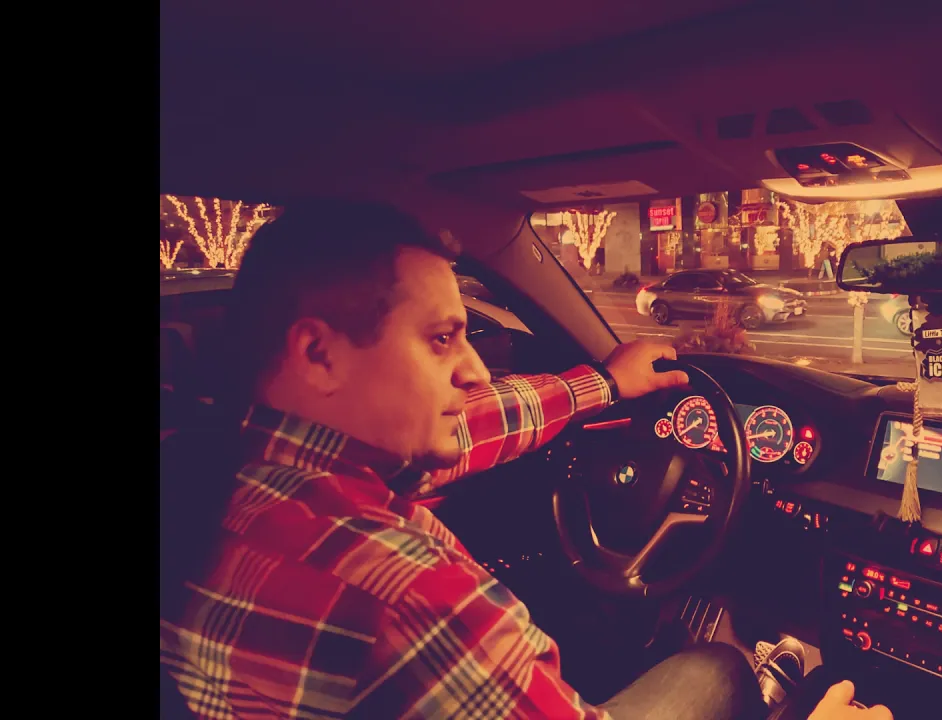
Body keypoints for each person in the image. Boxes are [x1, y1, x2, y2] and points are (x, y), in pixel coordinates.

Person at [158, 201, 889, 719]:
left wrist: (606, 383)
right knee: (719, 671)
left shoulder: (203, 465)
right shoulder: (404, 595)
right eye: (441, 339)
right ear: (319, 354)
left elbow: (477, 424)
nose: (476, 369)